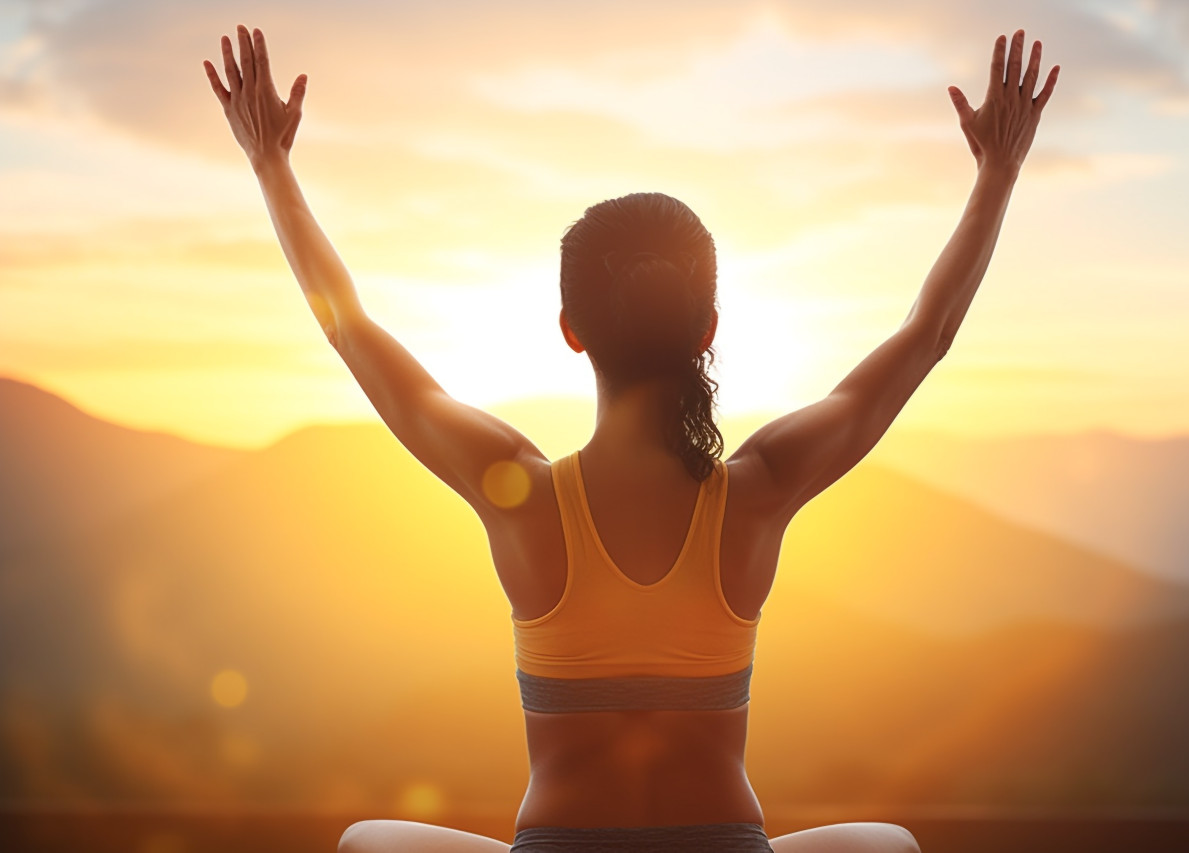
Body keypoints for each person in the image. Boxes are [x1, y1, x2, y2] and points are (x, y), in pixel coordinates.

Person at [204, 24, 1058, 853]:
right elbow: (927, 334)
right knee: (890, 841)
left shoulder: (521, 492)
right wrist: (999, 173)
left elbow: (350, 331)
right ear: (706, 328)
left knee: (365, 838)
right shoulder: (759, 488)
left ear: (572, 330)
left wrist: (270, 163)